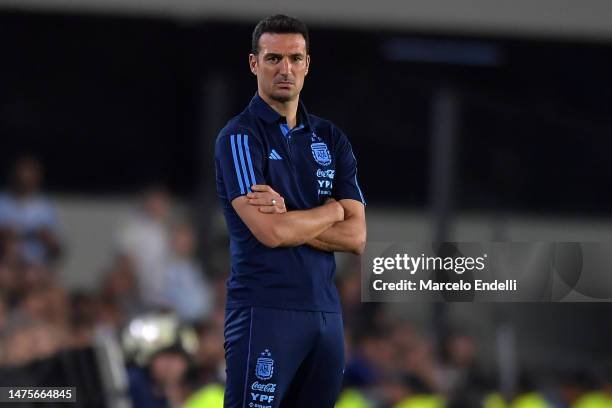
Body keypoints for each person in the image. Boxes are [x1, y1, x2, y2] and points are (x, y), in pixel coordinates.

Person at [214, 14, 366, 407]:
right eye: (274, 58)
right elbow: (271, 233)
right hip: (265, 311)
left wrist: (292, 216)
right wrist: (331, 211)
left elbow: (357, 237)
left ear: (307, 64)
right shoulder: (239, 137)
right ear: (254, 64)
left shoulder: (330, 138)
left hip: (326, 316)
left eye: (295, 59)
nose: (286, 69)